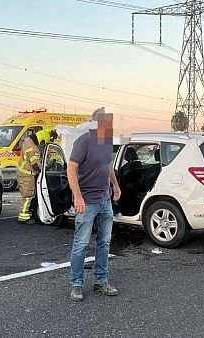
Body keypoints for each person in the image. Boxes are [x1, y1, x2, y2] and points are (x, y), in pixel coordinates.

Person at [67, 107, 121, 302]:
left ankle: (101, 281)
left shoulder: (106, 142)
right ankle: (76, 284)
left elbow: (108, 165)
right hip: (87, 202)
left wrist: (115, 186)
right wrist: (78, 197)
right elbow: (71, 170)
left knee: (104, 243)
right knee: (81, 244)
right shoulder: (83, 141)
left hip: (105, 201)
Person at [16, 128, 56, 224]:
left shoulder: (31, 140)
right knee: (28, 196)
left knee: (31, 195)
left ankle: (29, 213)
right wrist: (45, 169)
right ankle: (23, 217)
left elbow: (46, 135)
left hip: (27, 173)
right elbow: (36, 166)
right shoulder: (32, 148)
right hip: (26, 174)